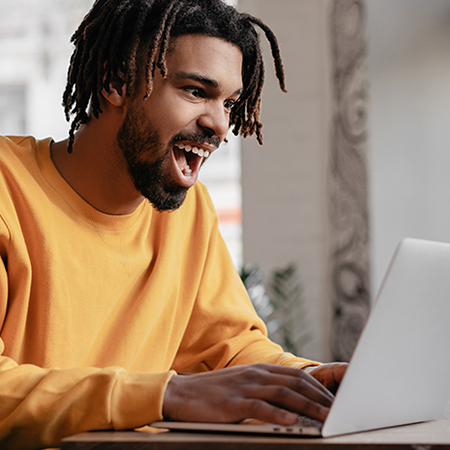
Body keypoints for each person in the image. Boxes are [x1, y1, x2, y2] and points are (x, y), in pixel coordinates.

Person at [0, 0, 347, 448]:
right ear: (115, 81)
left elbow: (229, 350)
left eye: (230, 101)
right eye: (195, 92)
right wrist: (166, 394)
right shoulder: (8, 190)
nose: (219, 124)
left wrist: (311, 380)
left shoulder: (189, 211)